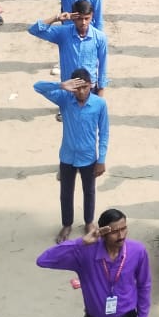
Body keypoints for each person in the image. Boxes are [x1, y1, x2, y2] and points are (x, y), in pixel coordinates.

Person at [36, 209, 152, 317]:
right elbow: (43, 260)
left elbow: (144, 287)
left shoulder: (137, 251)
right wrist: (80, 243)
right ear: (103, 233)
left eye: (124, 228)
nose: (121, 235)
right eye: (115, 231)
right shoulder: (85, 253)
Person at [35, 70, 110, 242]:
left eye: (84, 87)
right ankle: (66, 224)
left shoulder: (99, 104)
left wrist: (102, 159)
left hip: (89, 157)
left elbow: (104, 133)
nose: (81, 92)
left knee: (89, 191)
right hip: (67, 156)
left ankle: (89, 222)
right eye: (77, 88)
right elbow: (37, 87)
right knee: (66, 193)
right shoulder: (64, 99)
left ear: (90, 85)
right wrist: (60, 85)